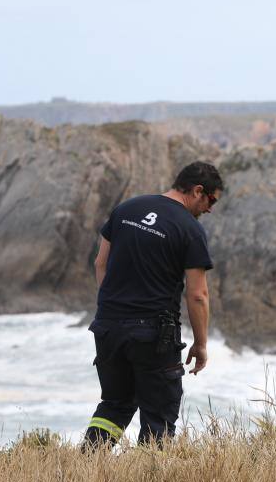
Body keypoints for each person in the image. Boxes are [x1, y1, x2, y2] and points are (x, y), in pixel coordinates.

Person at [82, 161, 223, 448]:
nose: (210, 209)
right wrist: (200, 343)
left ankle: (86, 468)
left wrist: (114, 308)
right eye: (211, 200)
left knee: (114, 404)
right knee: (159, 418)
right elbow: (198, 295)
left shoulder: (127, 209)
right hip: (154, 334)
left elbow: (100, 264)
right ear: (198, 191)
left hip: (108, 327)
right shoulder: (189, 229)